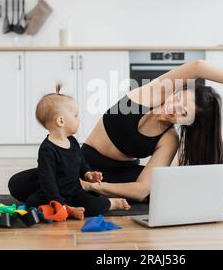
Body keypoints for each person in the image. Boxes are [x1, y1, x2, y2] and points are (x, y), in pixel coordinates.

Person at [10, 61, 223, 215]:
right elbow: (198, 66)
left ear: (188, 123)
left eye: (182, 115)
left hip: (112, 177)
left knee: (189, 187)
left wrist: (94, 187)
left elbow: (143, 190)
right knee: (19, 184)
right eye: (178, 102)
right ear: (176, 91)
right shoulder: (145, 94)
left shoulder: (168, 139)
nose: (173, 111)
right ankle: (91, 200)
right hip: (79, 163)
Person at [8, 84, 131, 217]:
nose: (79, 119)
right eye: (75, 115)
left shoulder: (72, 141)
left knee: (95, 205)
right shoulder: (47, 149)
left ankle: (111, 204)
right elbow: (47, 180)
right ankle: (69, 210)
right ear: (61, 121)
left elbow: (81, 163)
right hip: (53, 194)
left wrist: (88, 174)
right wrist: (60, 204)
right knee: (31, 203)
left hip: (74, 191)